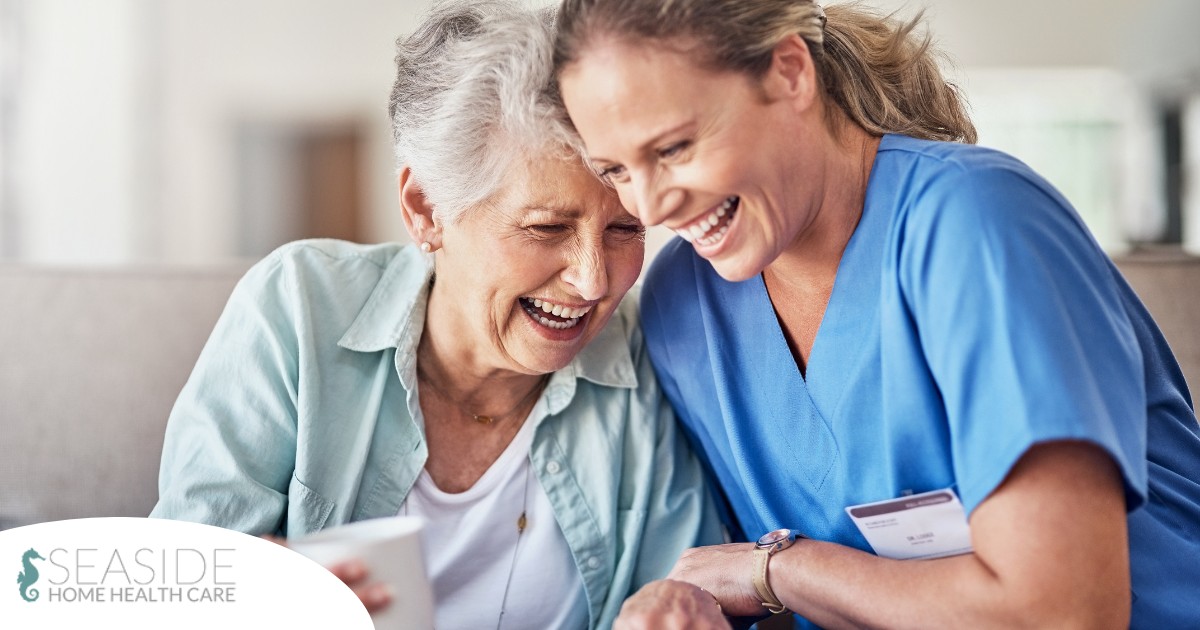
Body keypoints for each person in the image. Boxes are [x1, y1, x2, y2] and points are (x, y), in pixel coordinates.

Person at [552, 1, 1200, 628]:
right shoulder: (685, 305)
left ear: (790, 72)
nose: (652, 206)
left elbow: (1064, 614)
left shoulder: (976, 223)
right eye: (616, 169)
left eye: (673, 148)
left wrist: (776, 571)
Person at [151, 2, 721, 628]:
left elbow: (686, 581)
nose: (593, 281)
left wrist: (686, 604)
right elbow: (178, 581)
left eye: (625, 229)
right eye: (545, 228)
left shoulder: (642, 351)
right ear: (426, 210)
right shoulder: (299, 306)